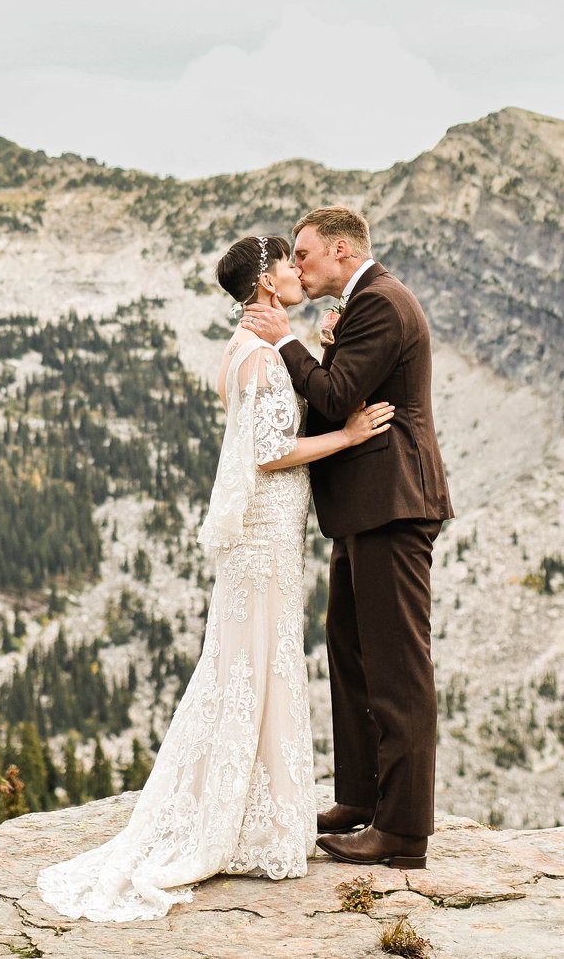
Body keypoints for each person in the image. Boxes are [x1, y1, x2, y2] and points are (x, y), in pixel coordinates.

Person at [36, 234, 394, 921]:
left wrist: (315, 346)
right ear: (266, 282)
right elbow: (270, 453)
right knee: (259, 669)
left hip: (262, 538)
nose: (297, 271)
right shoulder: (260, 357)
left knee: (247, 670)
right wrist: (349, 437)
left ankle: (246, 812)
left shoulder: (243, 349)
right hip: (263, 538)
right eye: (288, 263)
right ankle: (248, 821)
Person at [240, 206, 451, 871]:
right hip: (365, 507)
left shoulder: (383, 304)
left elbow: (334, 396)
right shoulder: (363, 306)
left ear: (339, 249)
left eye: (303, 255)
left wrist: (286, 341)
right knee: (352, 652)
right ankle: (360, 796)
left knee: (397, 667)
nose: (296, 268)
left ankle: (403, 830)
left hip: (394, 503)